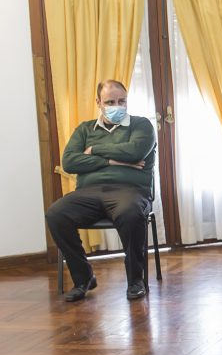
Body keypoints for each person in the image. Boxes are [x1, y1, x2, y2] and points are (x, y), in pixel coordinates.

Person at [45, 80, 158, 302]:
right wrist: (112, 160)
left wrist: (94, 150)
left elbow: (135, 152)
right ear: (98, 102)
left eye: (121, 101)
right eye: (110, 102)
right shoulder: (85, 129)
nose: (117, 106)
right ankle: (83, 278)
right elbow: (69, 162)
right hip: (89, 193)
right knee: (56, 214)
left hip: (130, 191)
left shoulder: (141, 125)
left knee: (131, 213)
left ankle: (136, 280)